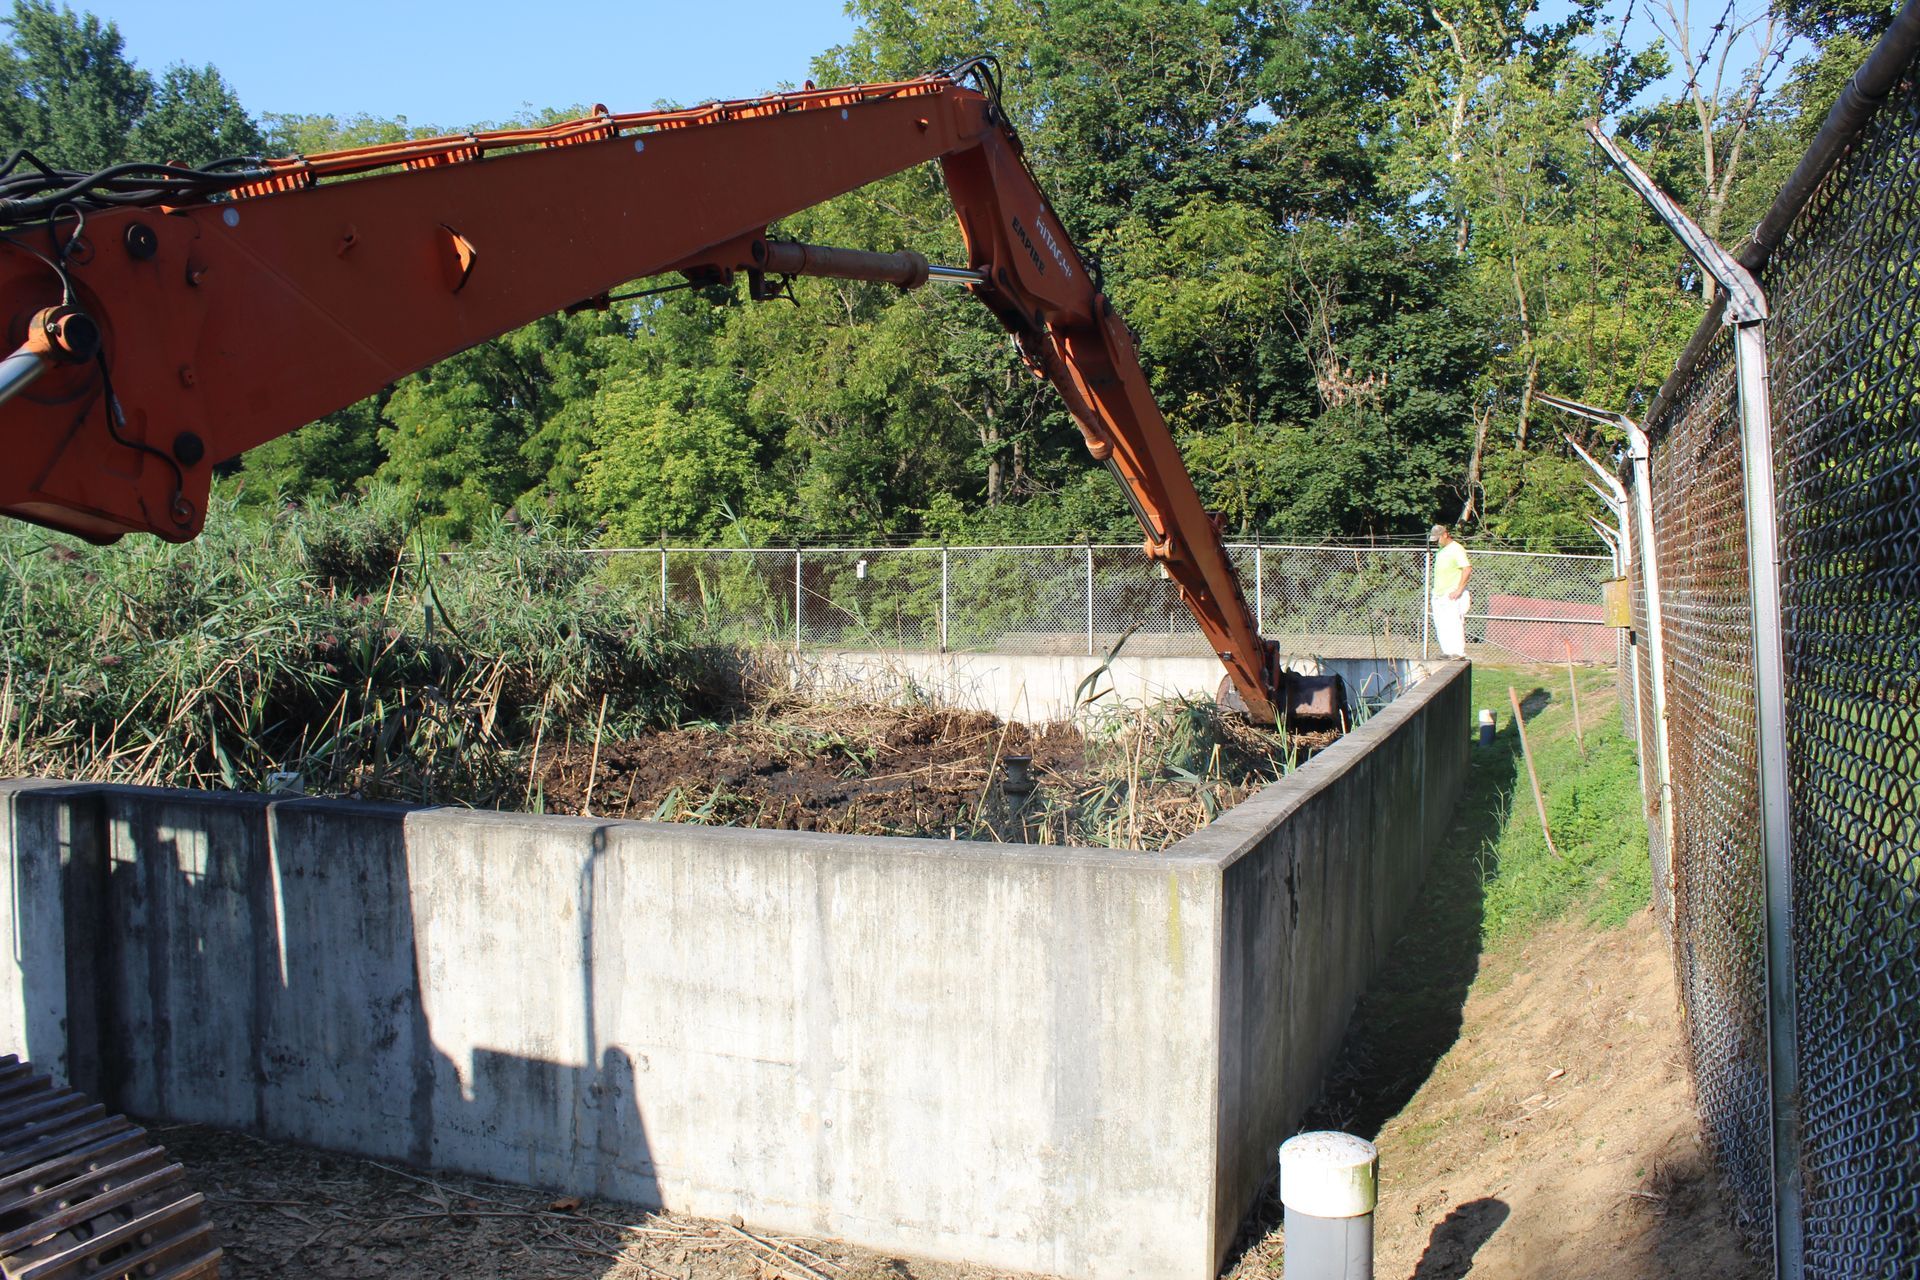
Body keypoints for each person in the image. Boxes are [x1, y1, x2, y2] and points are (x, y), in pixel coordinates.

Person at [1430, 523, 1473, 658]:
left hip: (1452, 594)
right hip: (1439, 594)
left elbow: (1467, 569)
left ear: (1445, 534)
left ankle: (1458, 652)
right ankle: (1447, 651)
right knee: (1441, 624)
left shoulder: (1456, 549)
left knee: (1453, 623)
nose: (1437, 542)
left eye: (1438, 539)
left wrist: (1459, 590)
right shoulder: (1441, 551)